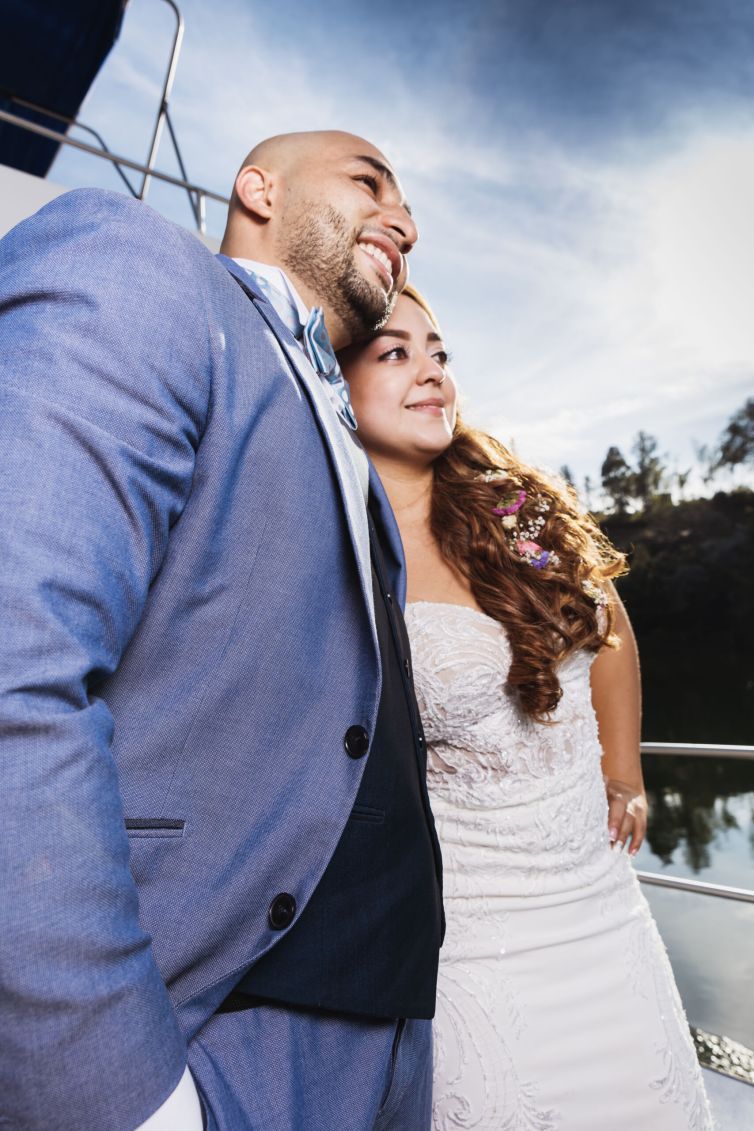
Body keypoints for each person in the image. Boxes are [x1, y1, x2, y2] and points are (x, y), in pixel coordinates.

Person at [0, 132, 444, 1131]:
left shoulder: (348, 435)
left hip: (395, 1030)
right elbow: (14, 667)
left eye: (408, 208)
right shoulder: (142, 268)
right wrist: (122, 1098)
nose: (405, 223)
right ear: (258, 188)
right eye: (370, 182)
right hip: (209, 1029)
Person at [339, 286, 713, 1130]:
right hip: (479, 945)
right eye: (395, 353)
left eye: (438, 351)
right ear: (336, 385)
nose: (431, 370)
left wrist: (626, 770)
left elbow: (606, 622)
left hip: (604, 915)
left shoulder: (507, 511)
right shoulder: (341, 553)